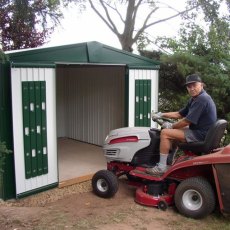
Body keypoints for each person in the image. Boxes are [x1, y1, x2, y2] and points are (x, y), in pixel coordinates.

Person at [146, 73, 217, 176]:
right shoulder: (195, 98)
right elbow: (179, 114)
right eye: (189, 86)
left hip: (201, 134)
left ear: (201, 85)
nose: (192, 88)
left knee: (165, 133)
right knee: (173, 132)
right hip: (201, 131)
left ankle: (161, 167)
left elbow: (187, 121)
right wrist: (161, 114)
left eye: (194, 85)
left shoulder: (202, 100)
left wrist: (171, 126)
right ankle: (169, 161)